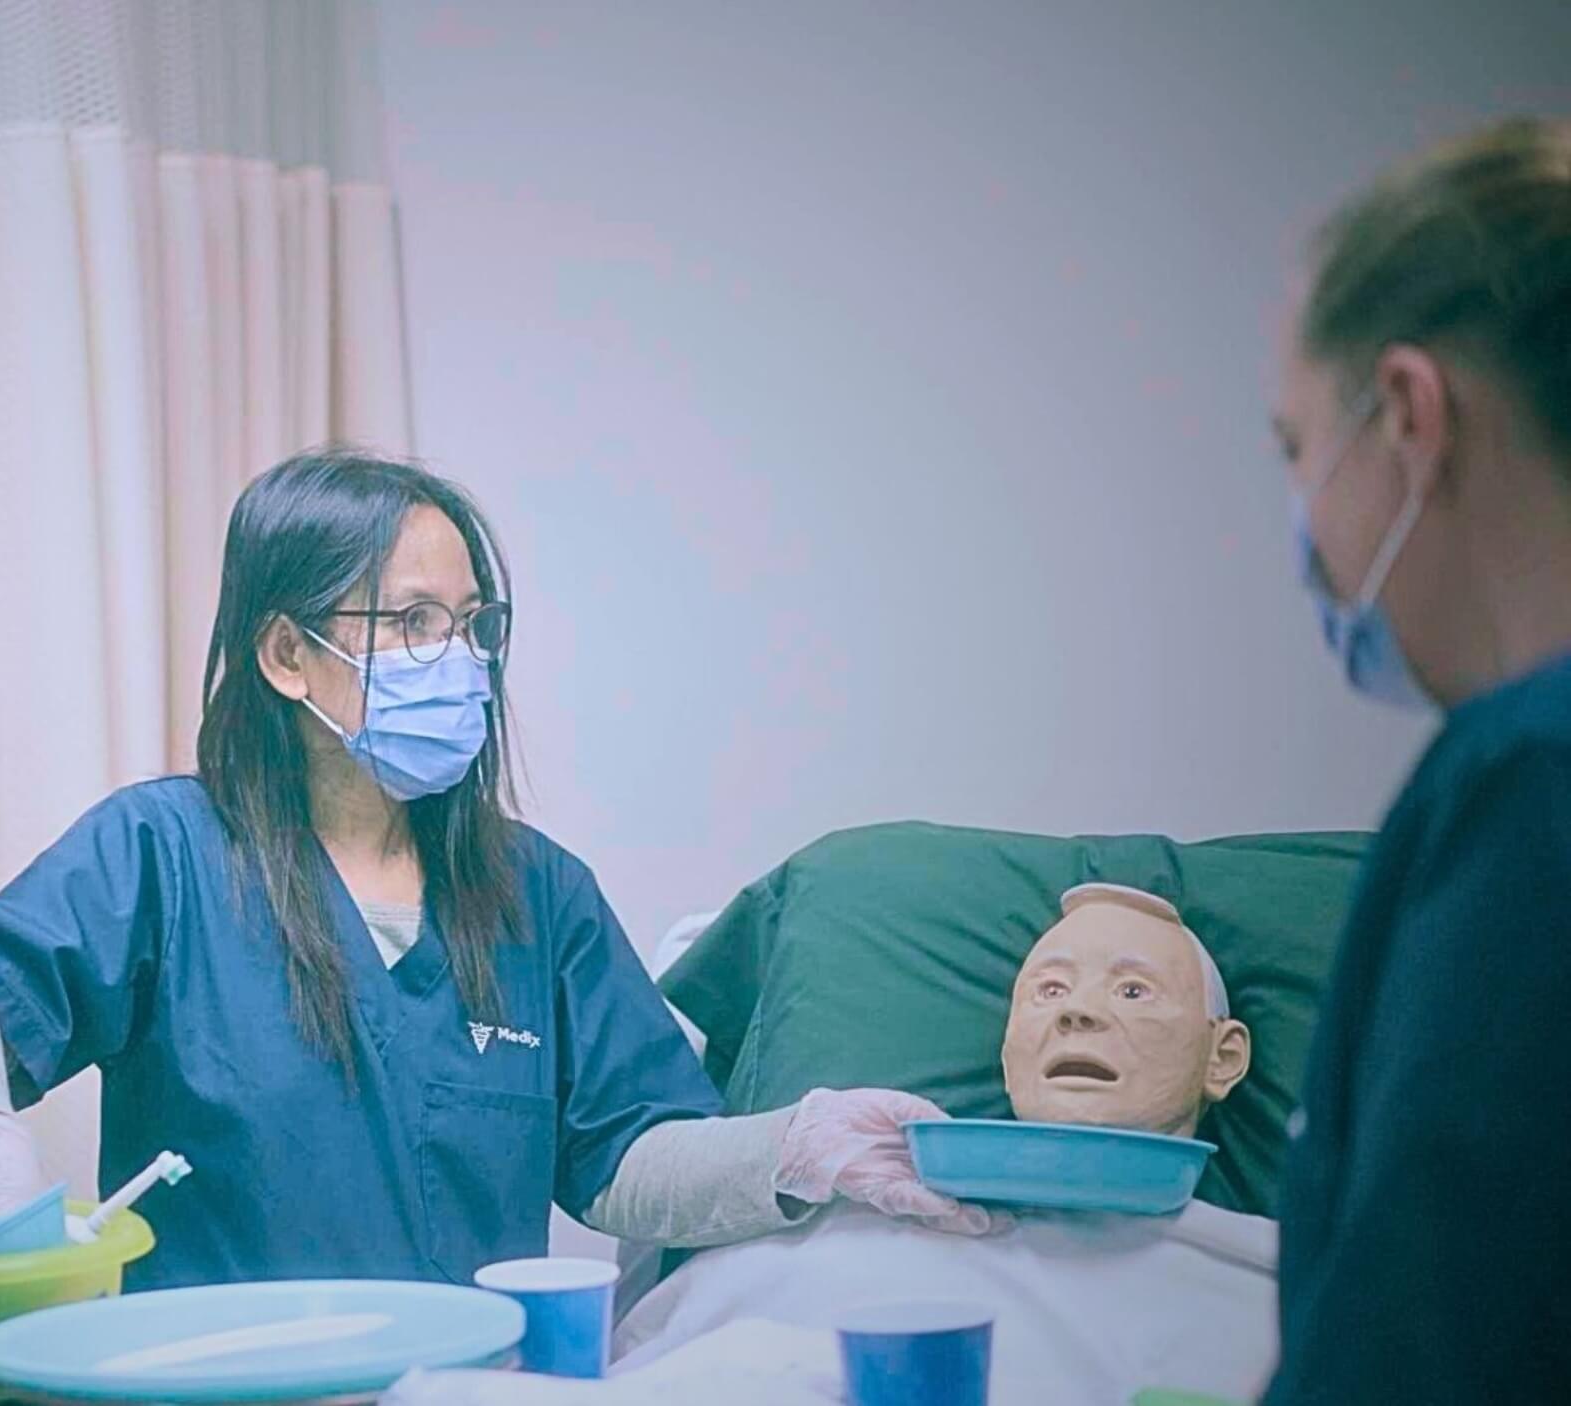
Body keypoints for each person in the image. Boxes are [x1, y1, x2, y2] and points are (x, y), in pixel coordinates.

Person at [0, 450, 993, 1292]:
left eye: (470, 623)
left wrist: (795, 1148)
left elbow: (619, 1157)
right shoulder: (162, 851)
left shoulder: (537, 894)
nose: (457, 659)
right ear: (284, 654)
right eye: (411, 620)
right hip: (212, 1380)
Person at [1263, 116, 1571, 1402]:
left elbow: (1420, 1341)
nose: (1303, 525)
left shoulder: (1525, 784)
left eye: (1295, 450)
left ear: (1405, 413)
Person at [606, 885, 1278, 1403]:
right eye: (1049, 990)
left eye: (1133, 991)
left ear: (1224, 1057)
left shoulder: (1273, 1300)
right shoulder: (814, 1248)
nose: (1079, 1012)